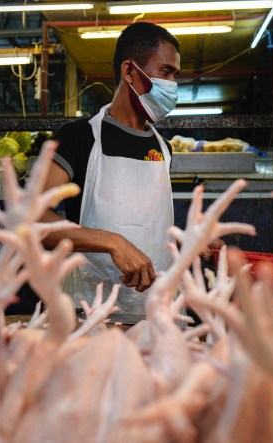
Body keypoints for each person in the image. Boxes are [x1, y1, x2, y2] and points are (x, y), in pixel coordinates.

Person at [39, 22, 182, 318]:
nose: (172, 86)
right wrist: (111, 242)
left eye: (175, 76)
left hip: (154, 310)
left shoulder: (163, 148)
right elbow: (34, 219)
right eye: (165, 72)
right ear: (130, 72)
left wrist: (190, 241)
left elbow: (148, 224)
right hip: (91, 310)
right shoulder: (78, 137)